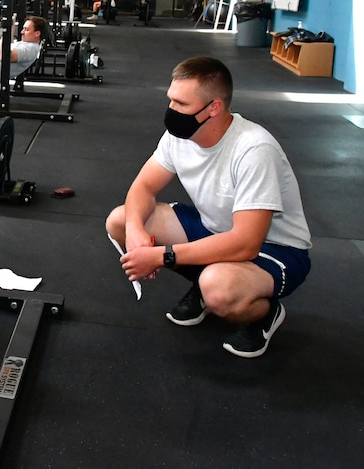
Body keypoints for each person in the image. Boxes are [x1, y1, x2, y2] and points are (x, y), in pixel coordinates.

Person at [105, 56, 311, 358]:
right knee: (120, 220)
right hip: (214, 229)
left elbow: (245, 243)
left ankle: (264, 313)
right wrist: (135, 231)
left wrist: (161, 256)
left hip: (274, 249)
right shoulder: (180, 135)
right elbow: (143, 187)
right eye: (170, 100)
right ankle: (202, 283)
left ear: (213, 108)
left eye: (181, 104)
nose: (172, 110)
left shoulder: (254, 149)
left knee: (219, 288)